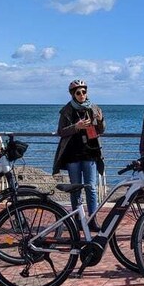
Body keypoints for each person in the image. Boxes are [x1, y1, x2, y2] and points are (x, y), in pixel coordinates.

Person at [52, 79, 106, 229]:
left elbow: (101, 130)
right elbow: (61, 131)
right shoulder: (67, 110)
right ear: (72, 94)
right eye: (78, 92)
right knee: (75, 188)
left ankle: (92, 220)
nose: (82, 95)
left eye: (84, 91)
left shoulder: (94, 108)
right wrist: (76, 127)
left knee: (91, 187)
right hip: (72, 155)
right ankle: (77, 220)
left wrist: (101, 120)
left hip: (90, 153)